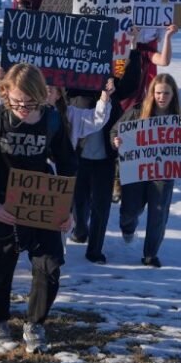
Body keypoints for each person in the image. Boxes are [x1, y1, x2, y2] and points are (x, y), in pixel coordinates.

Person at [0, 63, 76, 354]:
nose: (23, 108)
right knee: (0, 267)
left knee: (50, 265)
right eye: (16, 102)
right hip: (4, 204)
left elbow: (68, 163)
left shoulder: (51, 120)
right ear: (5, 94)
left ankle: (35, 324)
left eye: (30, 103)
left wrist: (67, 208)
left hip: (42, 203)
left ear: (41, 96)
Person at [111, 74, 181, 267]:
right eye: (158, 93)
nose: (162, 97)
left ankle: (150, 254)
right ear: (152, 93)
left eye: (166, 93)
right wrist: (116, 141)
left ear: (173, 94)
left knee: (158, 213)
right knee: (130, 210)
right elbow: (115, 131)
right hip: (136, 171)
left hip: (163, 172)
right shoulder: (137, 112)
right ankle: (128, 228)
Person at [59, 80, 114, 264]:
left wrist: (110, 87)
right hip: (79, 158)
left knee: (101, 207)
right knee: (78, 202)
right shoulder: (74, 101)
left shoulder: (114, 97)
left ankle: (95, 250)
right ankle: (81, 229)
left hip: (105, 160)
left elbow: (130, 84)